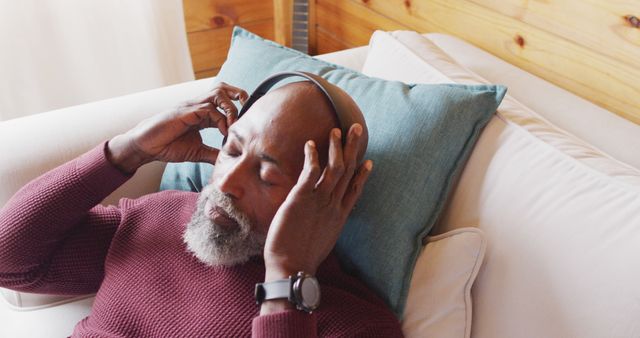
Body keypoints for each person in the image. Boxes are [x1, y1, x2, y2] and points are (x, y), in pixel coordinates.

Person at [0, 79, 403, 337]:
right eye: (232, 149)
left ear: (325, 198)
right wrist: (129, 150)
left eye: (266, 176)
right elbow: (9, 259)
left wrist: (286, 281)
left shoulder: (353, 323)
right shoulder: (155, 218)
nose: (225, 182)